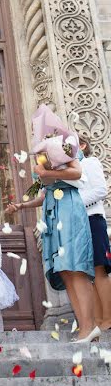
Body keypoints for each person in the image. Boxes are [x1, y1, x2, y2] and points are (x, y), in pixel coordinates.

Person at [5, 107, 97, 343]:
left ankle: (90, 325)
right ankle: (84, 327)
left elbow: (76, 173)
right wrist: (22, 206)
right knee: (65, 271)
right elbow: (44, 191)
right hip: (52, 211)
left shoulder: (67, 145)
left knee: (76, 267)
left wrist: (49, 172)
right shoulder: (42, 153)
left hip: (68, 207)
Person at [78, 136, 111, 332]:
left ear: (82, 145)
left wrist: (74, 205)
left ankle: (107, 318)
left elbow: (100, 190)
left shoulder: (90, 162)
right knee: (87, 272)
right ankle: (98, 320)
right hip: (78, 224)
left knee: (99, 268)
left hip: (93, 219)